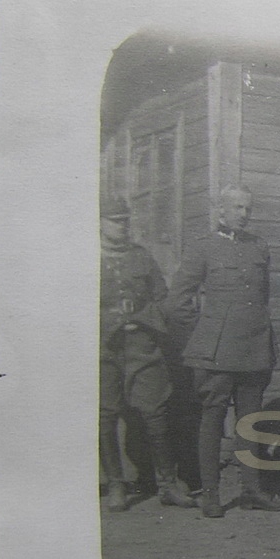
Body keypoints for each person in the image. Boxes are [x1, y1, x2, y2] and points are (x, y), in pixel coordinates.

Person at [166, 184, 280, 517]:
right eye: (236, 208)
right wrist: (204, 333)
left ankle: (252, 490)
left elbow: (262, 297)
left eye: (248, 208)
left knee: (249, 421)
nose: (243, 214)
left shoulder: (258, 246)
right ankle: (211, 495)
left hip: (253, 348)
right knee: (213, 420)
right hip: (217, 352)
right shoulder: (202, 247)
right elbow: (176, 303)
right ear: (220, 210)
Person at [99, 197, 196, 512]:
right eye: (115, 220)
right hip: (104, 347)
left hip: (142, 345)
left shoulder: (141, 256)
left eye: (125, 220)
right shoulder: (85, 259)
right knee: (106, 414)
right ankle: (116, 484)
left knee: (156, 412)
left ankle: (167, 484)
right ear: (99, 223)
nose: (122, 226)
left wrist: (146, 320)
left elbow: (161, 296)